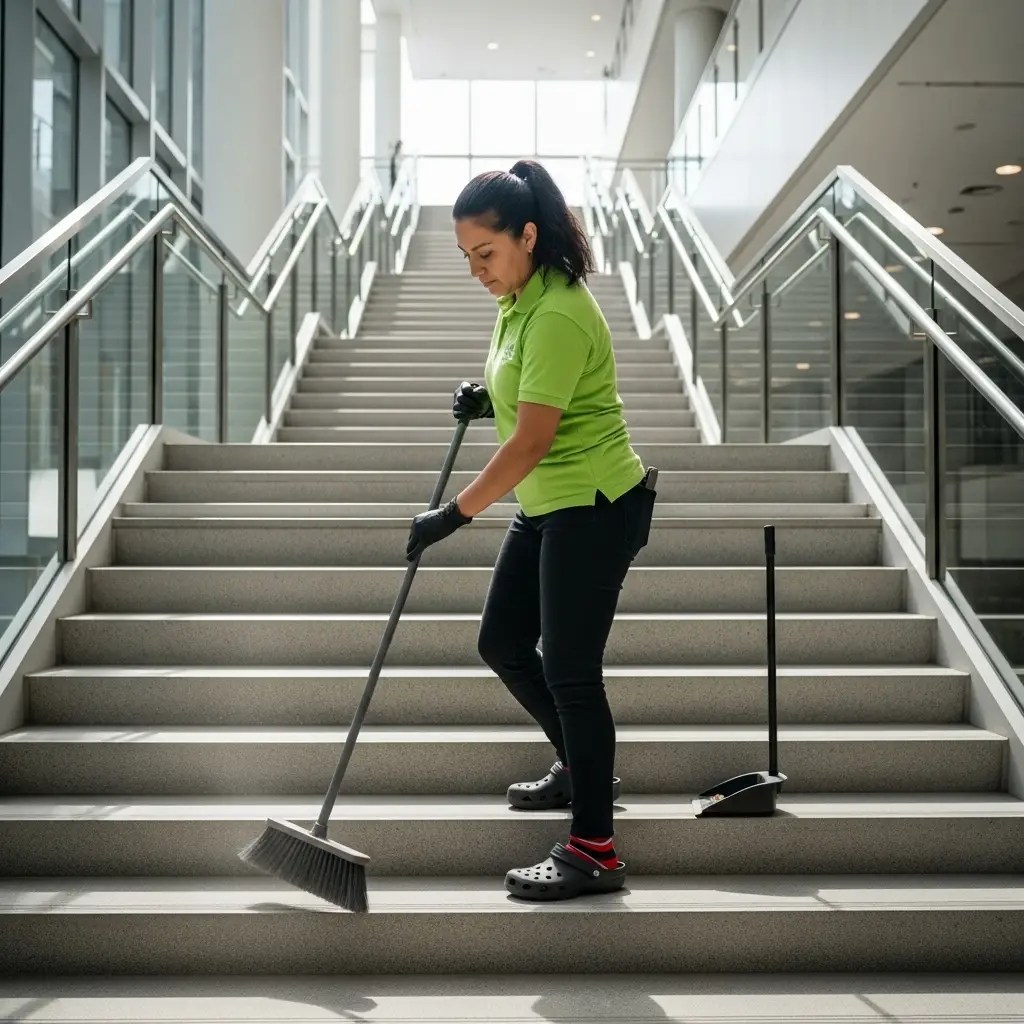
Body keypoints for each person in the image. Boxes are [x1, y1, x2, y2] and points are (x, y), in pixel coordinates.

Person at [405, 159, 657, 902]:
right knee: (502, 642)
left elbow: (531, 443)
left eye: (486, 254)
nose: (476, 271)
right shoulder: (522, 297)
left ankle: (595, 848)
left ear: (527, 235)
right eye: (466, 259)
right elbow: (531, 391)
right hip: (550, 505)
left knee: (572, 673)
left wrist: (453, 514)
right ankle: (580, 768)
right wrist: (488, 396)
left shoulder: (555, 310)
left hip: (594, 506)